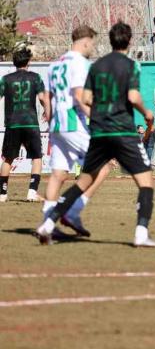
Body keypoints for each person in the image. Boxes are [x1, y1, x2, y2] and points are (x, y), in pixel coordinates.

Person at [36, 22, 155, 247]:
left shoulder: (74, 65)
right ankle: (139, 233)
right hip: (105, 127)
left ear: (111, 40)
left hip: (61, 124)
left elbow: (69, 97)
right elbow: (127, 97)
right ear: (129, 41)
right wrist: (146, 113)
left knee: (66, 177)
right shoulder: (121, 64)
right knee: (140, 181)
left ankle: (48, 223)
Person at [41, 27, 111, 236]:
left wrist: (51, 122)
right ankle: (72, 212)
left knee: (58, 175)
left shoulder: (54, 65)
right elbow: (80, 97)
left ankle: (48, 223)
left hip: (57, 124)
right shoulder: (80, 63)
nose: (93, 48)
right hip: (73, 122)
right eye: (93, 44)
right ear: (86, 41)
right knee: (103, 166)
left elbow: (46, 98)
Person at [0, 46, 49, 203]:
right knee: (37, 157)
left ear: (14, 63)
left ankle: (2, 194)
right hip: (30, 123)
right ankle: (32, 193)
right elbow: (42, 98)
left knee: (8, 159)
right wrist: (47, 111)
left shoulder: (6, 79)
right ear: (28, 62)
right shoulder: (35, 77)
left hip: (12, 124)